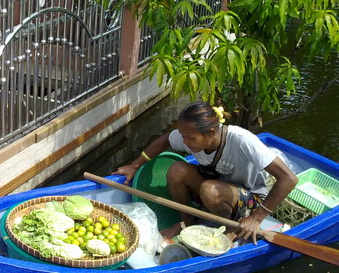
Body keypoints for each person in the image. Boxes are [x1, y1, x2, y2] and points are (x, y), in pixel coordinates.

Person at [114, 101, 298, 242]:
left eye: (190, 138)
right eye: (183, 136)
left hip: (248, 199)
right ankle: (186, 222)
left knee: (209, 189)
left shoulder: (242, 140)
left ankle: (228, 228)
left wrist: (257, 218)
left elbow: (289, 179)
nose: (185, 142)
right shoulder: (189, 136)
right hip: (213, 189)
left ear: (210, 133)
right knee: (177, 170)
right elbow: (165, 140)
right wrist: (135, 165)